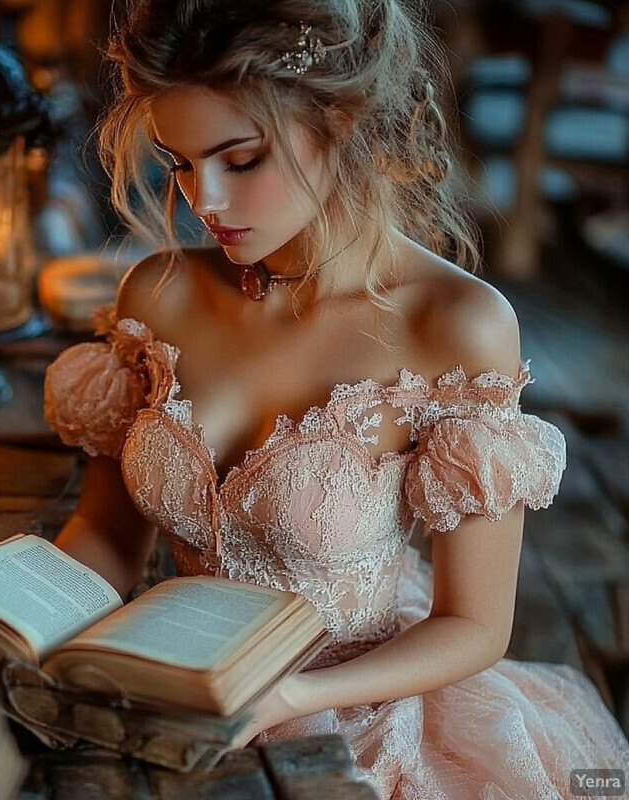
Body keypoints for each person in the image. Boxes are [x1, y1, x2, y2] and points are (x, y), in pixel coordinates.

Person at [44, 0, 629, 796]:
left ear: (343, 122)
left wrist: (294, 697)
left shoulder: (456, 324)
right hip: (167, 696)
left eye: (240, 160)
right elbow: (107, 538)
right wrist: (31, 617)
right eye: (177, 162)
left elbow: (476, 625)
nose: (204, 200)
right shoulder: (158, 295)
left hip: (358, 711)